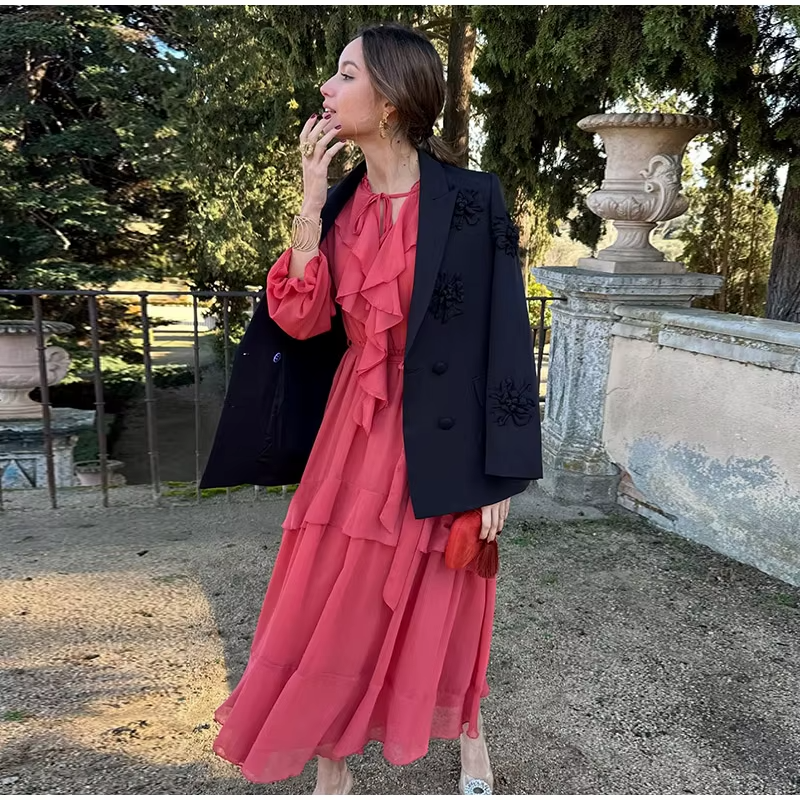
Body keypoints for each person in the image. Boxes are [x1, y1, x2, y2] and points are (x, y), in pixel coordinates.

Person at [201, 22, 543, 795]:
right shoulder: (339, 205)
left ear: (389, 100)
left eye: (346, 74)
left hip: (444, 435)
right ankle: (333, 762)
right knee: (333, 600)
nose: (327, 87)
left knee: (446, 596)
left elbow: (506, 338)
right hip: (353, 429)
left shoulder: (473, 199)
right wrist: (309, 202)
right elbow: (300, 319)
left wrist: (502, 472)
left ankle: (469, 731)